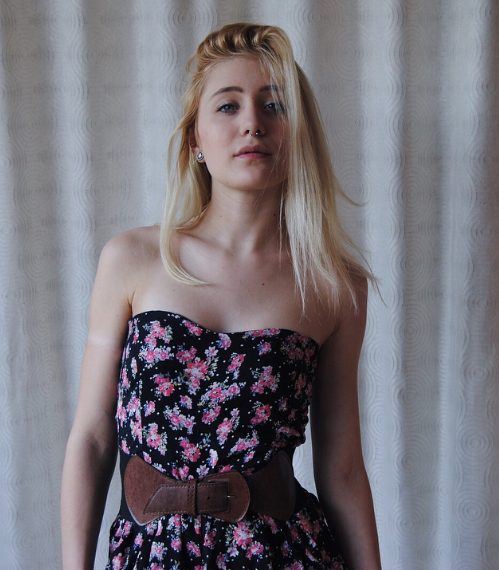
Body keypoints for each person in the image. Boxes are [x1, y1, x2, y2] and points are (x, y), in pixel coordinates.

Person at [60, 22, 381, 569]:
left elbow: (343, 470)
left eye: (274, 105)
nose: (252, 123)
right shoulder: (131, 260)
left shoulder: (334, 286)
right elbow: (92, 439)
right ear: (195, 140)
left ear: (298, 134)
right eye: (228, 106)